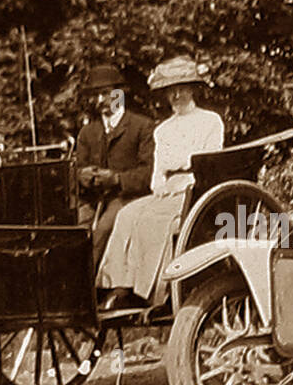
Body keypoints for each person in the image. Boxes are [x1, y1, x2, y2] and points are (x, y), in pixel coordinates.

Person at [97, 56, 224, 309]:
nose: (176, 95)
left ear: (192, 89)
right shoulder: (163, 130)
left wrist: (183, 172)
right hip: (167, 190)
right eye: (171, 91)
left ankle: (154, 291)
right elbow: (158, 170)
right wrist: (159, 185)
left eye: (182, 89)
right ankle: (119, 285)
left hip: (195, 189)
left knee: (156, 221)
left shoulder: (210, 121)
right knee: (128, 214)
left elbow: (208, 162)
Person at [74, 64, 155, 264]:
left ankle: (87, 291)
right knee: (74, 232)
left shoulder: (141, 126)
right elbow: (76, 168)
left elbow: (149, 172)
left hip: (127, 197)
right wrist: (80, 176)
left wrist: (117, 179)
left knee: (102, 230)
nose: (100, 101)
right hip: (92, 200)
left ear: (120, 94)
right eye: (95, 95)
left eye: (105, 93)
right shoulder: (88, 132)